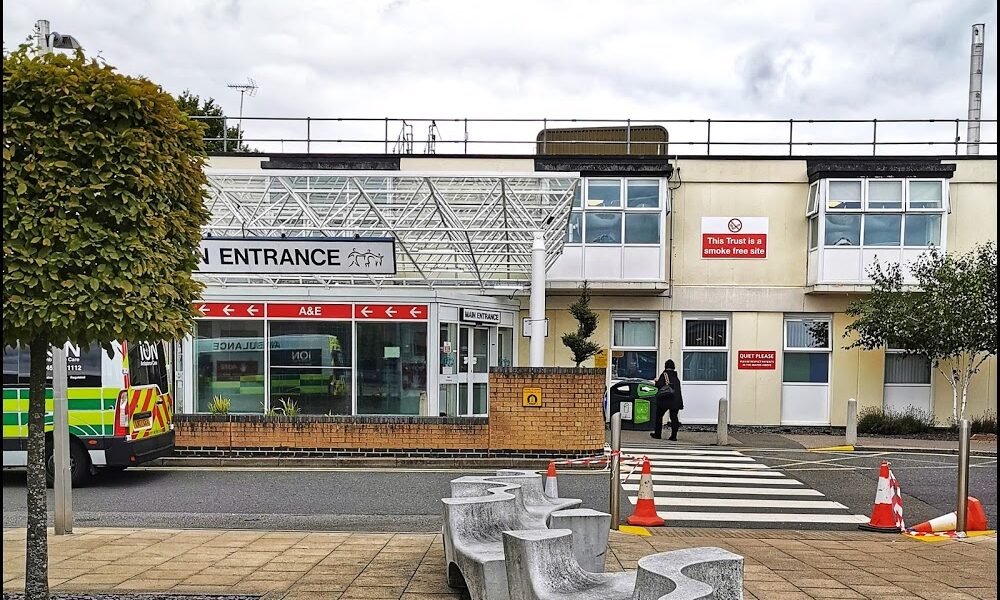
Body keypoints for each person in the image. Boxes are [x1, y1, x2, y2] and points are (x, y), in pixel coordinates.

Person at [650, 359, 683, 441]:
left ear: (666, 366)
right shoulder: (676, 377)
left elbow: (660, 385)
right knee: (674, 418)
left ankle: (657, 434)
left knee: (659, 416)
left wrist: (656, 382)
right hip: (676, 400)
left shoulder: (664, 374)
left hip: (665, 400)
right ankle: (674, 436)